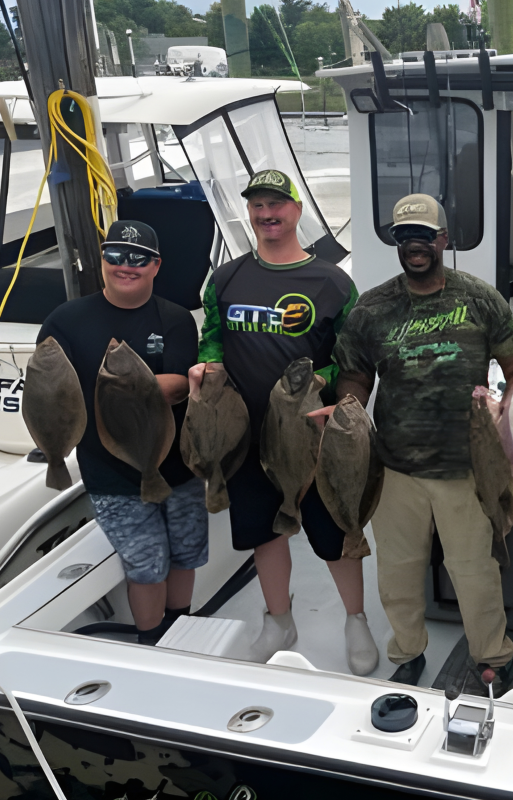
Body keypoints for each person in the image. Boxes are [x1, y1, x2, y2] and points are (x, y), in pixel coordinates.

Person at [320, 193, 513, 688]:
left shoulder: (480, 298)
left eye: (424, 235)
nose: (414, 245)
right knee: (398, 572)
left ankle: (493, 656)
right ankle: (408, 651)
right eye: (404, 236)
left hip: (466, 464)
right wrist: (347, 408)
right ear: (396, 242)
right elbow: (355, 375)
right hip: (395, 467)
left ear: (443, 240)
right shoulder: (372, 307)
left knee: (475, 571)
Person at [189, 169, 378, 674]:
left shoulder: (333, 282)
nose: (267, 214)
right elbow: (212, 339)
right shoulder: (224, 279)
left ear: (297, 210)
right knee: (265, 533)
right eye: (257, 205)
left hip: (311, 437)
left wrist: (330, 387)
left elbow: (353, 360)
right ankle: (279, 621)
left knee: (335, 531)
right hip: (245, 436)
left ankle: (356, 619)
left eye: (277, 204)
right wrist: (207, 366)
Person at [37, 220, 206, 645]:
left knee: (185, 554)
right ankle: (151, 643)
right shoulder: (65, 320)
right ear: (102, 260)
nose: (125, 265)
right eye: (115, 255)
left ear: (156, 266)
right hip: (110, 471)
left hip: (178, 465)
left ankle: (179, 631)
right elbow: (48, 389)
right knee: (146, 565)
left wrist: (117, 385)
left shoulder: (176, 318)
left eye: (138, 258)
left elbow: (180, 384)